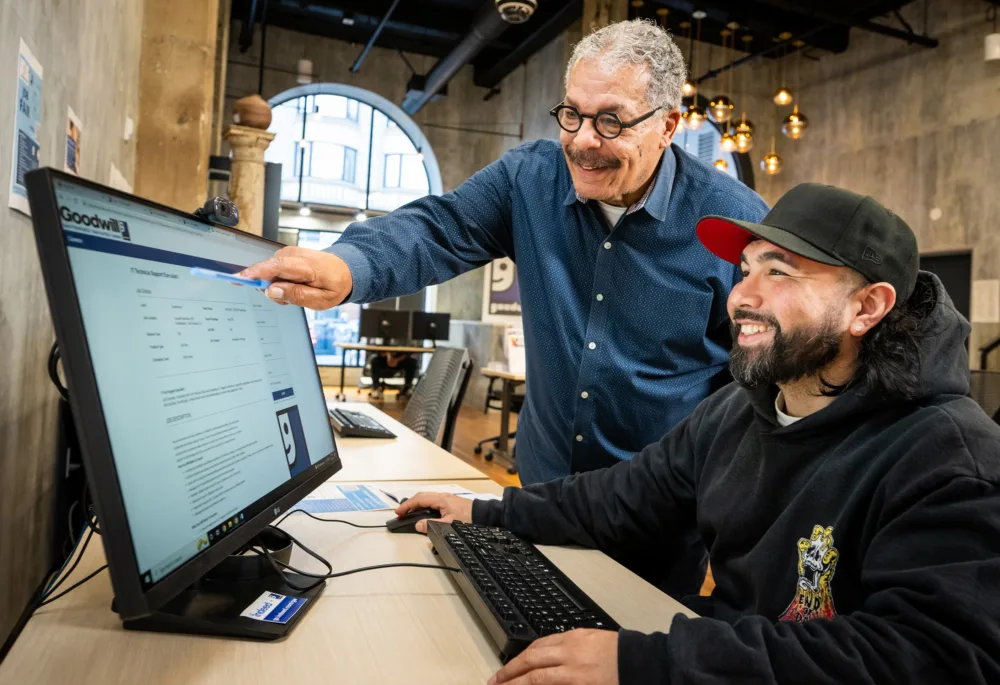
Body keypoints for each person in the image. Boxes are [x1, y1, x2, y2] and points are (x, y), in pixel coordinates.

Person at [395, 183, 1000, 684]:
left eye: (780, 273)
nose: (741, 298)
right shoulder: (739, 409)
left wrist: (649, 664)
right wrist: (488, 512)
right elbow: (624, 496)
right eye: (746, 270)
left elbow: (929, 657)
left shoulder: (949, 455)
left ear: (866, 308)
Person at [239, 21, 768, 496]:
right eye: (572, 115)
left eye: (611, 121)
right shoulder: (529, 179)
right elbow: (438, 228)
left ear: (668, 126)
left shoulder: (737, 223)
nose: (583, 141)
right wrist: (348, 265)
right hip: (541, 489)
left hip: (659, 511)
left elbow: (759, 383)